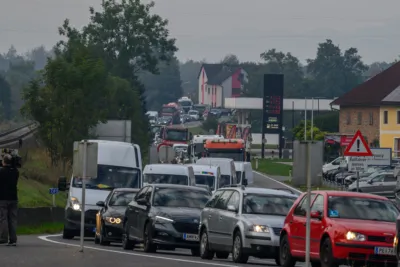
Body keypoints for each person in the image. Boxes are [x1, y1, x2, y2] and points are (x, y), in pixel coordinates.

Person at [0, 153, 19, 246]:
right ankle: (13, 239)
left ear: (4, 162)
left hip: (3, 198)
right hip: (13, 198)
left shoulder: (1, 171)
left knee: (3, 218)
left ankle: (3, 237)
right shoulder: (15, 172)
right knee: (13, 219)